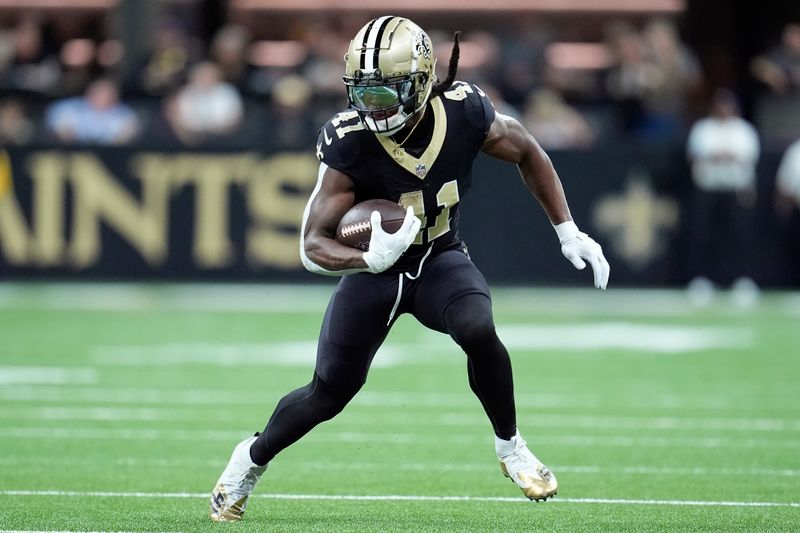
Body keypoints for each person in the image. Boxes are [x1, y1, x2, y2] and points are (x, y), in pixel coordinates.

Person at [209, 16, 610, 522]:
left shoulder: (464, 111)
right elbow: (311, 245)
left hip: (439, 255)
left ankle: (511, 448)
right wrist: (364, 259)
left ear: (421, 82)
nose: (370, 108)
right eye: (363, 93)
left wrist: (566, 229)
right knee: (329, 392)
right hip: (375, 274)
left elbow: (527, 149)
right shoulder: (348, 139)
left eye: (384, 94)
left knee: (477, 327)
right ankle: (249, 459)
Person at [685, 88, 760, 306]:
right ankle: (700, 280)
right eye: (720, 104)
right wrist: (718, 156)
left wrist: (720, 156)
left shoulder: (744, 130)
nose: (724, 109)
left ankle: (742, 279)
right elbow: (693, 157)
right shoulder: (703, 129)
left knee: (739, 237)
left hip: (735, 190)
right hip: (708, 190)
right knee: (703, 235)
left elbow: (747, 157)